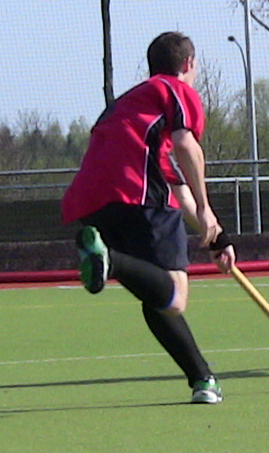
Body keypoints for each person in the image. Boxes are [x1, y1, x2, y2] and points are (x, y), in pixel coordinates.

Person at [61, 31, 238, 403]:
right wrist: (206, 209)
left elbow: (175, 185)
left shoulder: (130, 110)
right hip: (136, 192)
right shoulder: (175, 90)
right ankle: (111, 262)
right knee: (173, 297)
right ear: (188, 64)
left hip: (94, 201)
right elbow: (188, 145)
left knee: (155, 292)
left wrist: (216, 235)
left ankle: (202, 380)